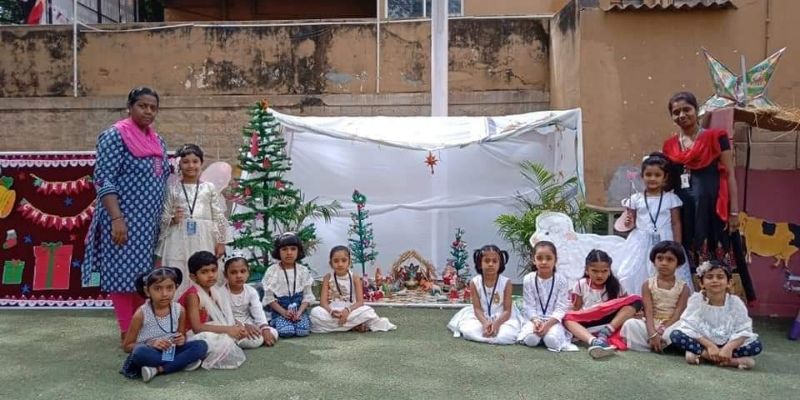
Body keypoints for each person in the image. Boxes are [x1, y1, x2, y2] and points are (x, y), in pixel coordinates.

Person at [82, 87, 170, 340]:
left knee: (145, 277)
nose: (148, 111)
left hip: (150, 224)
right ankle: (126, 333)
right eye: (143, 106)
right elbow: (103, 179)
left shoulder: (158, 140)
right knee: (122, 275)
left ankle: (141, 328)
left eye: (153, 108)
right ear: (129, 107)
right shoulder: (114, 136)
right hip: (124, 219)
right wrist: (116, 218)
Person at [661, 91, 741, 268]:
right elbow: (668, 182)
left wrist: (734, 212)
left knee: (717, 267)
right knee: (686, 264)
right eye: (676, 112)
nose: (682, 115)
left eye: (686, 109)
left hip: (713, 209)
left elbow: (729, 174)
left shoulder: (716, 137)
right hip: (683, 213)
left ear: (696, 110)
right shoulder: (669, 146)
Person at [157, 143, 228, 295]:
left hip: (205, 238)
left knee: (204, 269)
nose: (191, 166)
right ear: (179, 164)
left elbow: (219, 216)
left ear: (201, 163)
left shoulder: (209, 188)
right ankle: (179, 304)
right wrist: (173, 219)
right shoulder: (173, 189)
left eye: (195, 161)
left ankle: (205, 305)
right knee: (180, 268)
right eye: (186, 162)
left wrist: (221, 241)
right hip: (178, 238)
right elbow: (163, 216)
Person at [616, 152, 691, 295]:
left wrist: (677, 245)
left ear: (665, 177)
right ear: (642, 176)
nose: (652, 178)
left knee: (665, 268)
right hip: (640, 241)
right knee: (634, 270)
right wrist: (628, 222)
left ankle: (666, 298)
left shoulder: (671, 198)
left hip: (665, 239)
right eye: (648, 175)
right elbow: (631, 223)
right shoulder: (636, 199)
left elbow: (676, 223)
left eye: (657, 175)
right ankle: (637, 298)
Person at [120, 267, 207, 383]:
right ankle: (180, 363)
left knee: (201, 345)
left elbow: (181, 335)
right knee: (139, 352)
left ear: (176, 287)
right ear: (147, 291)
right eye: (157, 289)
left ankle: (158, 369)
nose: (164, 294)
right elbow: (127, 346)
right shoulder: (141, 313)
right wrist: (151, 343)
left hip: (171, 351)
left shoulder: (179, 310)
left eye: (169, 288)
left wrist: (181, 339)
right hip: (151, 352)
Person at [670, 261, 762, 369]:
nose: (715, 280)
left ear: (729, 282)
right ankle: (724, 359)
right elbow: (688, 326)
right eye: (709, 277)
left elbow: (744, 329)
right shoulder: (696, 300)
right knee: (676, 335)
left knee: (756, 345)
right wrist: (710, 346)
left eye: (720, 277)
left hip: (728, 343)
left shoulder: (735, 302)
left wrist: (728, 348)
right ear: (701, 283)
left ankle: (709, 357)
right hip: (704, 343)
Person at [563, 249, 643, 359]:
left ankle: (605, 333)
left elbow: (626, 303)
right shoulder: (581, 284)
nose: (600, 275)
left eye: (604, 271)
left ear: (609, 270)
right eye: (595, 271)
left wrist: (634, 313)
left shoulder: (616, 285)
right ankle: (594, 341)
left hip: (610, 321)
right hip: (588, 319)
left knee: (636, 300)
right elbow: (576, 307)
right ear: (587, 270)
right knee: (567, 318)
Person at [180, 251, 246, 369]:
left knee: (235, 334)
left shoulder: (213, 290)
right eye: (204, 272)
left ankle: (199, 356)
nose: (210, 275)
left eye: (213, 270)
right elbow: (196, 328)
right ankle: (191, 357)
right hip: (188, 336)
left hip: (202, 331)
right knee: (217, 338)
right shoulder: (193, 295)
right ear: (193, 277)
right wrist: (228, 330)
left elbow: (223, 316)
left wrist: (238, 326)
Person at [621, 241, 690, 353]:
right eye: (660, 258)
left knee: (681, 331)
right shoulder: (647, 284)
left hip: (672, 324)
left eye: (670, 260)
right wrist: (652, 333)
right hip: (652, 323)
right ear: (654, 261)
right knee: (631, 324)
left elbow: (678, 314)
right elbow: (648, 312)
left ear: (678, 264)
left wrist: (662, 330)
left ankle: (659, 344)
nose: (664, 263)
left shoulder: (684, 288)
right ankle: (657, 344)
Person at [310, 246, 396, 333]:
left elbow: (360, 302)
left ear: (349, 262)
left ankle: (343, 326)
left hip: (351, 310)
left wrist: (347, 311)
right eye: (336, 261)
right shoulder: (328, 277)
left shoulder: (354, 277)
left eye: (344, 260)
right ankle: (353, 325)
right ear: (330, 263)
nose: (340, 264)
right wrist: (331, 312)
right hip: (333, 312)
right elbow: (323, 302)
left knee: (368, 311)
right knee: (315, 312)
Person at [447, 245, 521, 345]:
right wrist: (485, 323)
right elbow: (477, 309)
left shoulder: (506, 282)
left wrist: (496, 324)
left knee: (506, 335)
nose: (490, 264)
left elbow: (507, 311)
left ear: (500, 264)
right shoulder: (474, 282)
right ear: (480, 263)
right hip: (481, 316)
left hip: (502, 317)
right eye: (487, 261)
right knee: (469, 331)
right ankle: (491, 339)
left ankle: (493, 336)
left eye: (494, 261)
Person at [517, 241, 574, 351]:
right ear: (534, 260)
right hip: (534, 320)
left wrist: (548, 325)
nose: (544, 262)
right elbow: (528, 306)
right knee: (531, 340)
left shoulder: (561, 280)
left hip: (553, 321)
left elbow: (561, 307)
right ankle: (538, 334)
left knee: (551, 340)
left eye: (548, 258)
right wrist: (536, 321)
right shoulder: (528, 279)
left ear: (555, 260)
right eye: (539, 258)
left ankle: (547, 336)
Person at [262, 232, 315, 337]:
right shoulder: (272, 271)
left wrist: (299, 312)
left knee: (302, 331)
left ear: (298, 251)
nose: (289, 253)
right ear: (278, 251)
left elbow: (307, 296)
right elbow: (269, 298)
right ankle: (277, 322)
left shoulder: (303, 270)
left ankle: (299, 319)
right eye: (284, 249)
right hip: (280, 311)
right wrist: (284, 312)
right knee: (286, 331)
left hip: (299, 311)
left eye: (293, 249)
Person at [223, 255, 279, 347]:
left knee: (273, 332)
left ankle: (259, 336)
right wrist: (243, 326)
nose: (239, 276)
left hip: (248, 321)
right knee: (256, 340)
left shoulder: (251, 291)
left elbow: (258, 311)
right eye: (233, 272)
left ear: (248, 272)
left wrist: (264, 328)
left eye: (243, 271)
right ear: (225, 275)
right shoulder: (221, 292)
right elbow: (224, 316)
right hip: (230, 324)